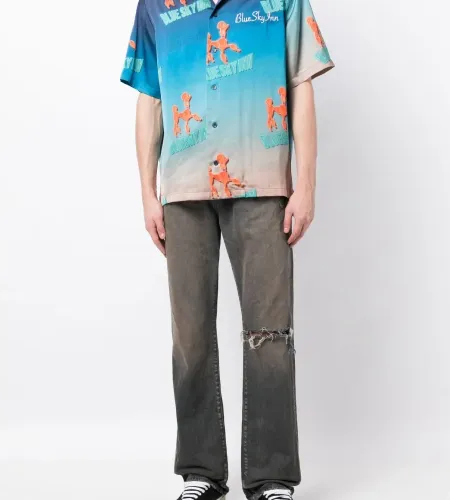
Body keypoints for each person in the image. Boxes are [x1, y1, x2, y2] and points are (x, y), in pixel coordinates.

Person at [120, 0, 334, 497]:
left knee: (269, 333)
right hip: (182, 189)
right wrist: (148, 193)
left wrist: (306, 184)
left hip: (261, 181)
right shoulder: (155, 6)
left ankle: (272, 477)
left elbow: (301, 83)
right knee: (189, 334)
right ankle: (201, 472)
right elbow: (150, 98)